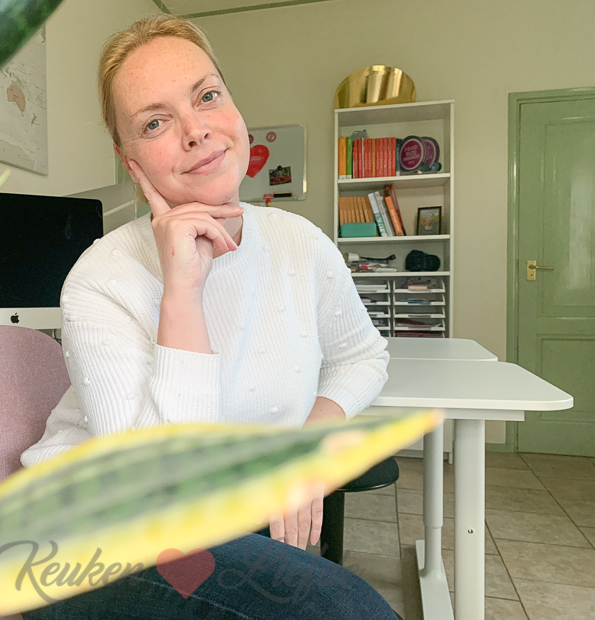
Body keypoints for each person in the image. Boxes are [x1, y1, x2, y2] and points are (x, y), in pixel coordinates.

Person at [20, 14, 393, 620]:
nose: (196, 131)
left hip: (223, 528)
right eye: (155, 122)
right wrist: (182, 293)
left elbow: (362, 356)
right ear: (130, 161)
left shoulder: (300, 242)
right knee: (343, 609)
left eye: (208, 96)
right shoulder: (100, 278)